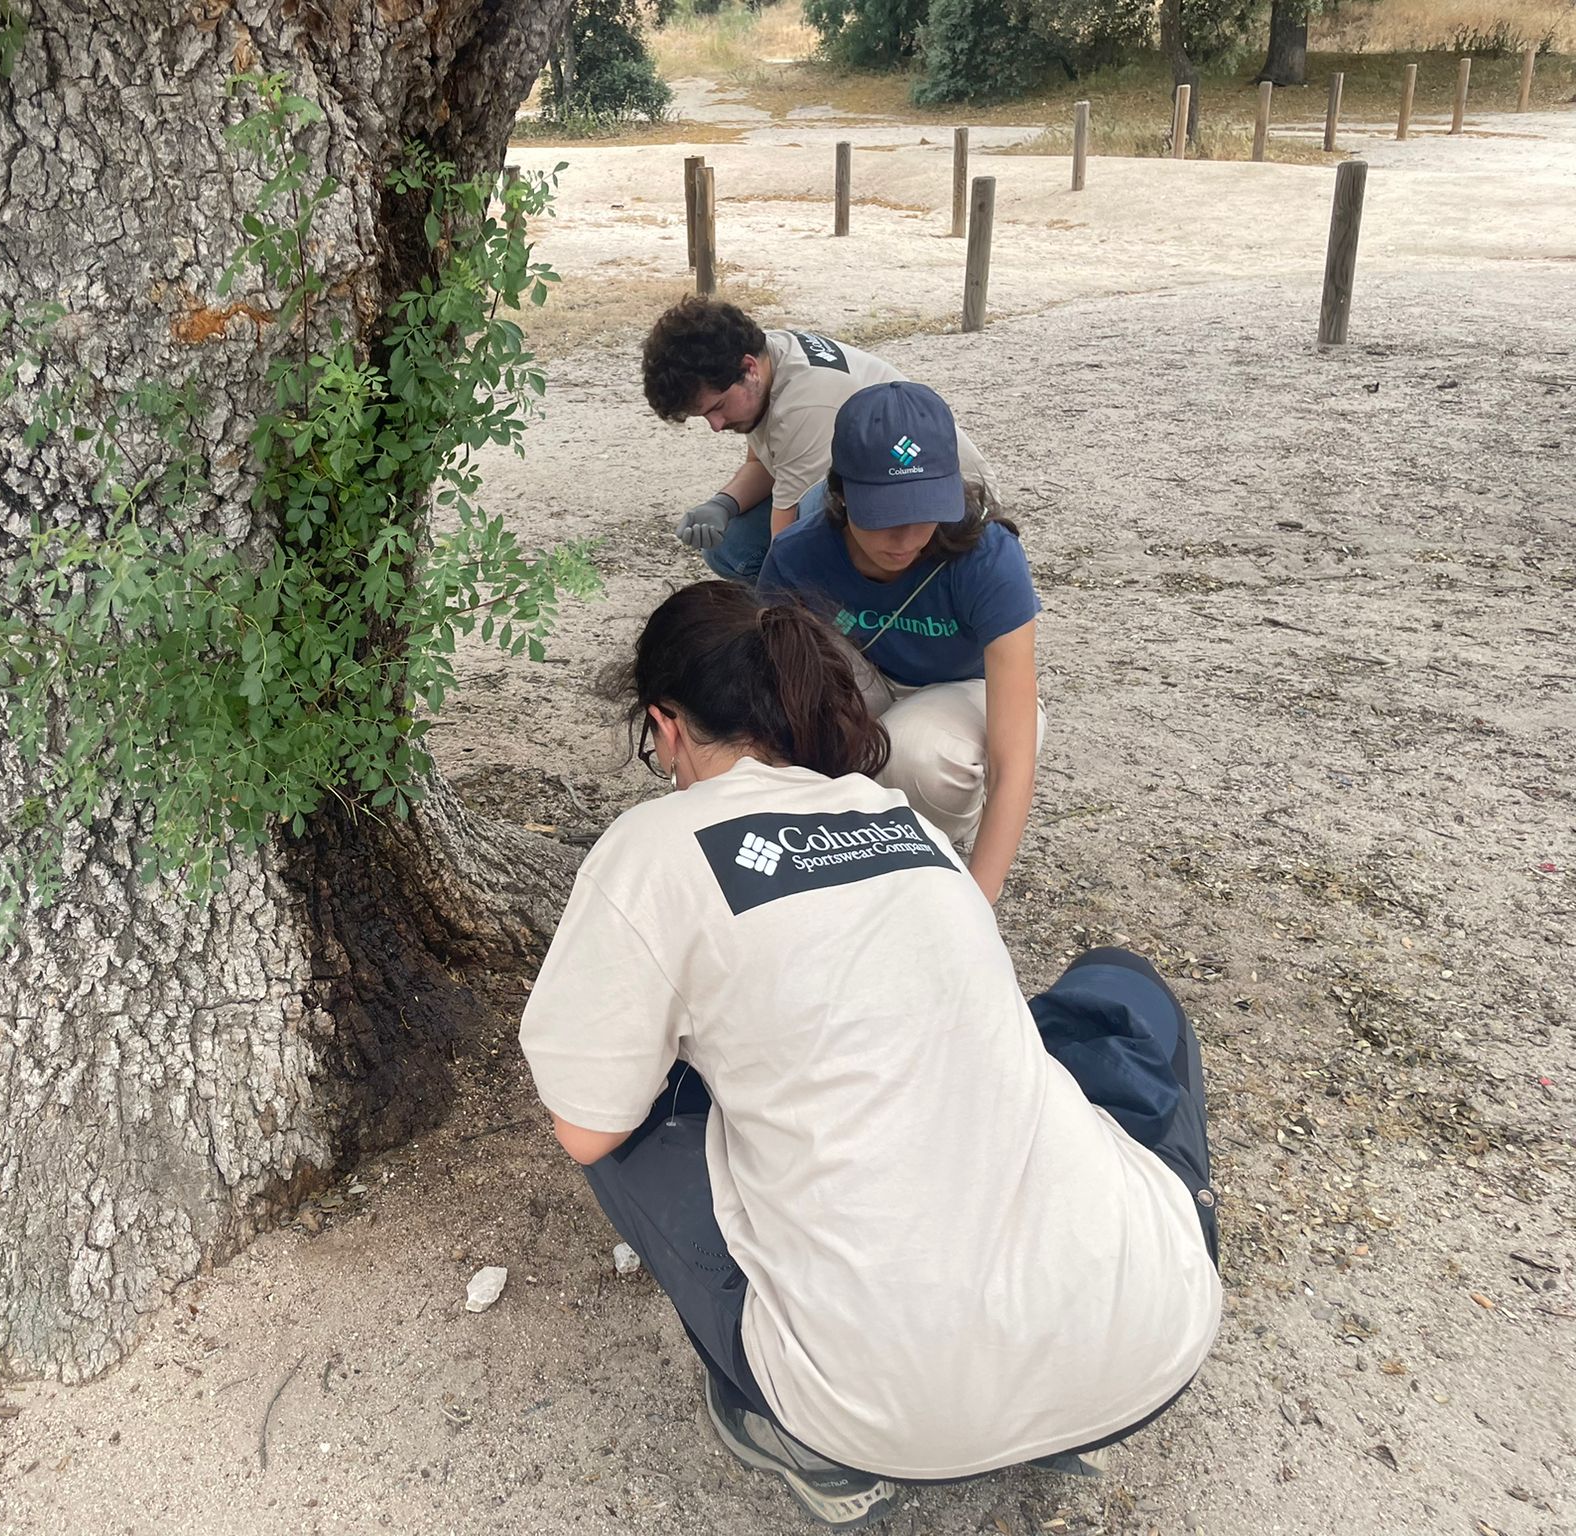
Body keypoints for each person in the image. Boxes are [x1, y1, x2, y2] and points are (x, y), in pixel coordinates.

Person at [519, 583, 1221, 1529]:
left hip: (881, 1411)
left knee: (627, 1128)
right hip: (1148, 1339)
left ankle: (783, 1423)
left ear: (666, 727)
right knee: (1114, 987)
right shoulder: (910, 828)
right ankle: (1093, 1310)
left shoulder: (650, 849)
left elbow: (586, 1129)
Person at [759, 380, 1040, 905]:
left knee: (915, 757)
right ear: (840, 495)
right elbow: (765, 696)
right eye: (885, 515)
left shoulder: (988, 556)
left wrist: (980, 900)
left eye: (926, 507)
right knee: (793, 673)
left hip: (965, 691)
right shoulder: (799, 554)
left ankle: (926, 847)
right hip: (865, 677)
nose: (908, 537)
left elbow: (1014, 751)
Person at [642, 297, 997, 585]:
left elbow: (789, 535)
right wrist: (722, 504)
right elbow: (764, 466)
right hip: (889, 488)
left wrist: (775, 614)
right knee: (728, 545)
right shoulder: (769, 356)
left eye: (717, 408)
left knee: (817, 506)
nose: (716, 425)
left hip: (950, 503)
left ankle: (859, 610)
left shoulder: (804, 402)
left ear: (748, 368)